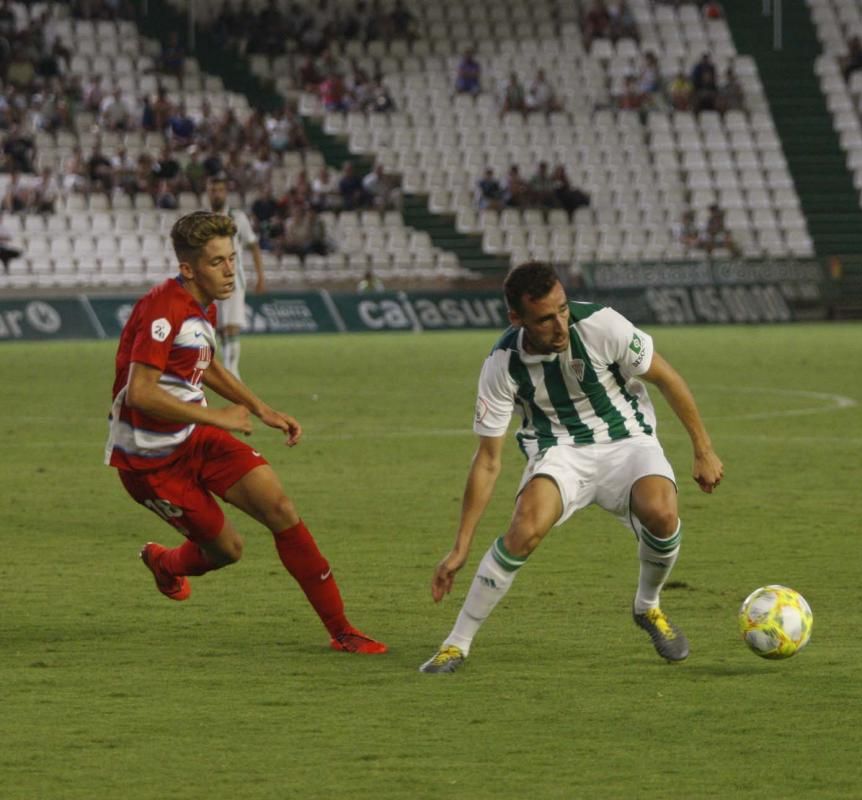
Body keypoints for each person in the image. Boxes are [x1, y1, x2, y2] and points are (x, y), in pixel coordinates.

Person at [418, 262, 724, 673]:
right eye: (545, 319)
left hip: (626, 440)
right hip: (558, 450)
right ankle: (456, 644)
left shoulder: (602, 324)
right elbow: (488, 462)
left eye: (562, 309)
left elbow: (667, 378)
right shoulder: (502, 364)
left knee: (663, 514)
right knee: (524, 529)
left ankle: (647, 606)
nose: (560, 325)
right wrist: (460, 547)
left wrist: (703, 450)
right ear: (517, 318)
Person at [104, 211, 386, 654]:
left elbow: (204, 362)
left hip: (195, 438)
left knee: (281, 508)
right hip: (151, 461)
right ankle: (164, 562)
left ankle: (342, 631)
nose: (231, 269)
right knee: (226, 551)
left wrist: (262, 408)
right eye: (218, 262)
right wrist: (218, 417)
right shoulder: (162, 309)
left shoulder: (203, 303)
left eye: (232, 258)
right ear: (188, 268)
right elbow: (140, 393)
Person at [206, 174, 265, 380]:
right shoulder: (203, 220)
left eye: (220, 190)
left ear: (226, 192)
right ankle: (230, 371)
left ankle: (232, 373)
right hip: (210, 282)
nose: (217, 194)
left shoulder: (237, 217)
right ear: (208, 192)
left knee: (231, 326)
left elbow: (253, 245)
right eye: (213, 190)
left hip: (233, 280)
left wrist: (260, 276)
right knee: (220, 329)